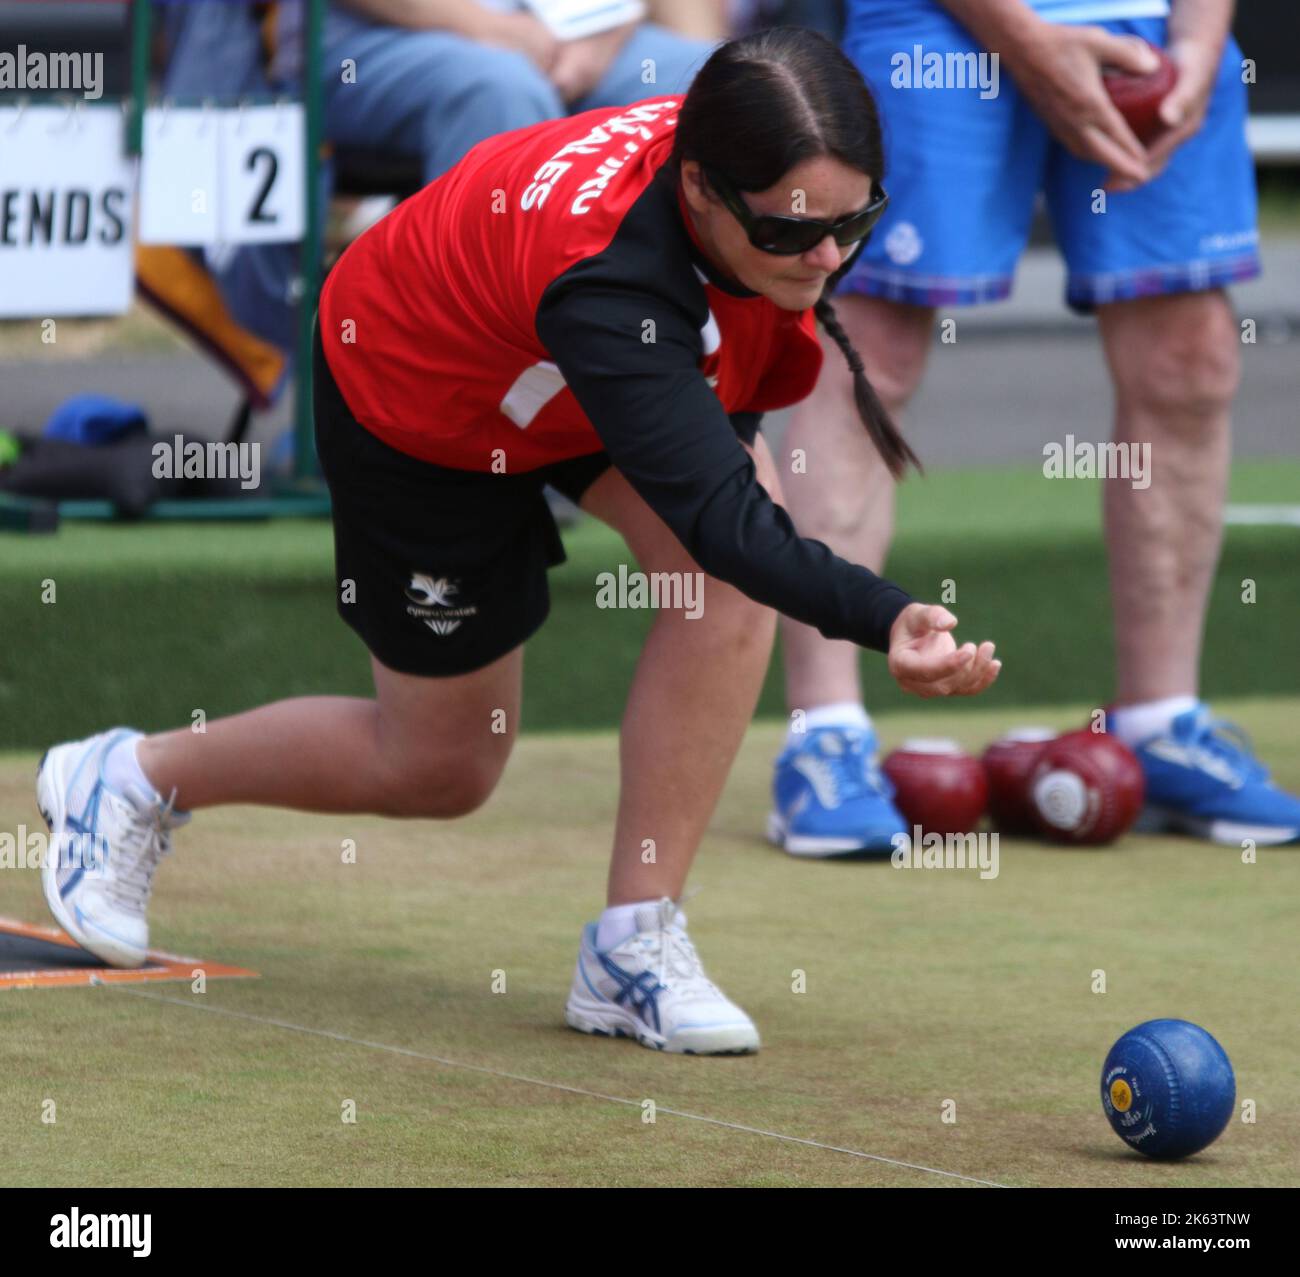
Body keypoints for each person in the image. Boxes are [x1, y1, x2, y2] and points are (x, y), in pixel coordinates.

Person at [37, 29, 999, 1057]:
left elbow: (722, 480)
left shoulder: (752, 178)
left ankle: (632, 943)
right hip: (423, 386)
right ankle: (132, 775)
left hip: (559, 362)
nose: (827, 256)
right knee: (443, 767)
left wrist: (795, 250)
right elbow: (722, 523)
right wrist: (884, 613)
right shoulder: (610, 276)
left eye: (854, 221)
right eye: (796, 231)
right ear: (702, 190)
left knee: (724, 576)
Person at [770, 0, 1300, 856]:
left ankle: (1161, 721)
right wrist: (1022, 37)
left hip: (1154, 30)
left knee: (1189, 361)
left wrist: (1200, 44)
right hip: (938, 24)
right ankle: (824, 736)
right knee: (873, 352)